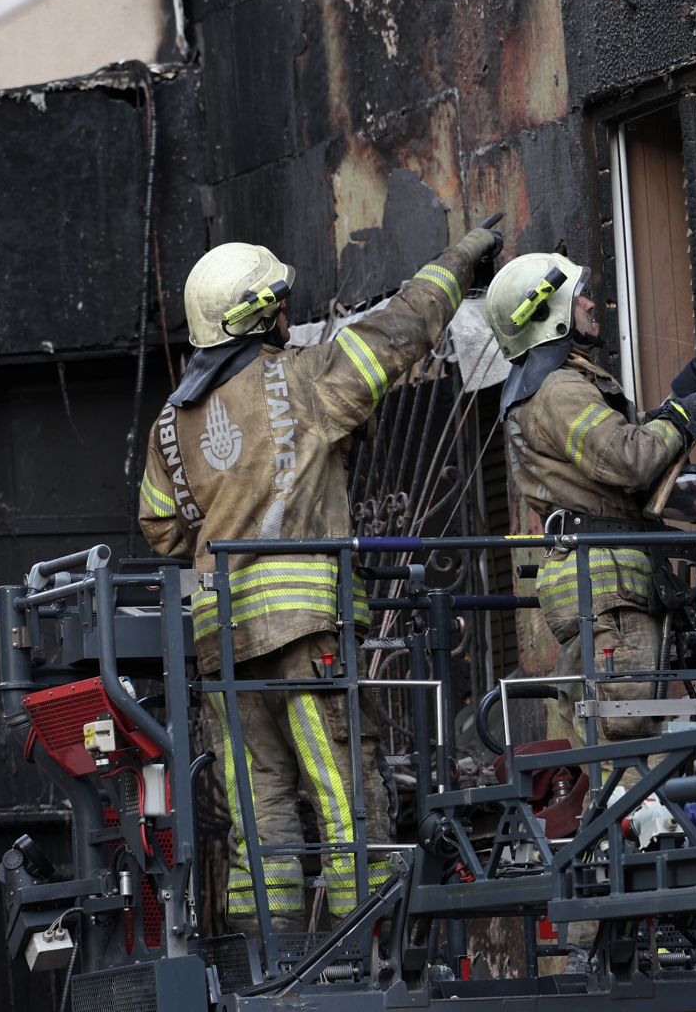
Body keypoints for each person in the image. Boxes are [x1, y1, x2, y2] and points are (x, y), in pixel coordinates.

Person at [139, 225, 500, 934]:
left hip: (221, 647)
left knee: (258, 811)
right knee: (345, 796)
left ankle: (265, 961)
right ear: (259, 314)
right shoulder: (305, 379)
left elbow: (162, 527)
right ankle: (371, 947)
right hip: (307, 633)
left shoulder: (169, 424)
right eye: (278, 302)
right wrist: (461, 257)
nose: (286, 313)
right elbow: (400, 331)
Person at [483, 252, 696, 757]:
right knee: (625, 741)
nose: (592, 304)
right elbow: (629, 459)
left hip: (599, 580)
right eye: (579, 296)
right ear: (549, 313)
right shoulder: (560, 389)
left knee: (605, 736)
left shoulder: (555, 384)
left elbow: (623, 445)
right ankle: (632, 812)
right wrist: (685, 417)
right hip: (606, 583)